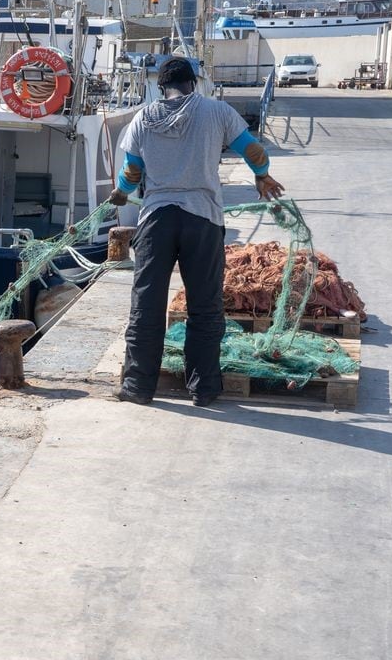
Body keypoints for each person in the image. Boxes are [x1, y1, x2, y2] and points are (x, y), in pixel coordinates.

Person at [110, 56, 285, 407]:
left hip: (157, 219)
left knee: (147, 304)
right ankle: (204, 389)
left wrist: (122, 193)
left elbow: (132, 170)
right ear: (194, 84)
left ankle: (138, 388)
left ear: (161, 87)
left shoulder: (144, 117)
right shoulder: (216, 111)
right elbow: (252, 149)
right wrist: (262, 174)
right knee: (204, 307)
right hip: (203, 218)